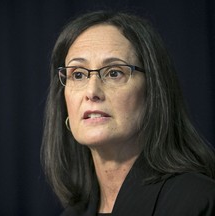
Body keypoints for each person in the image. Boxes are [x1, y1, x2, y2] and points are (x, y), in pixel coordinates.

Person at [41, 10, 215, 216]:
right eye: (78, 74)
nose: (91, 92)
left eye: (114, 72)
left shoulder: (198, 200)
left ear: (153, 91)